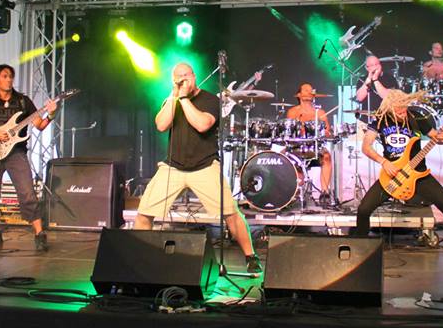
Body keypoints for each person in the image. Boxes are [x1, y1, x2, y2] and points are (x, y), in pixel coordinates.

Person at [135, 63, 261, 273]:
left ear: (194, 77)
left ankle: (251, 257)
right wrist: (174, 97)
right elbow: (161, 125)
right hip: (173, 167)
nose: (183, 80)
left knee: (231, 213)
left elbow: (202, 124)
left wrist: (184, 99)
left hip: (205, 166)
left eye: (186, 76)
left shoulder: (210, 100)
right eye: (178, 77)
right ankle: (139, 260)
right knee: (143, 213)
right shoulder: (172, 100)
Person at [353, 89, 443, 267]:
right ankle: (360, 253)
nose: (403, 112)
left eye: (404, 108)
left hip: (419, 174)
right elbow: (366, 147)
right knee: (364, 209)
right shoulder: (380, 120)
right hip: (394, 176)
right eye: (398, 110)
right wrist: (384, 162)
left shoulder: (416, 117)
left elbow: (435, 136)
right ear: (390, 108)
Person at [0, 64, 57, 252]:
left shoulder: (23, 102)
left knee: (27, 192)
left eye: (10, 76)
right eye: (5, 76)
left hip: (16, 153)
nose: (9, 79)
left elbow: (40, 125)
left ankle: (39, 233)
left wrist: (51, 114)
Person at [285, 83, 334, 207]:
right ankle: (294, 194)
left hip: (315, 148)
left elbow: (327, 131)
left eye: (311, 90)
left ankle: (324, 193)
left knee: (327, 157)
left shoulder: (320, 112)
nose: (309, 91)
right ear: (299, 95)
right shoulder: (293, 112)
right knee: (289, 160)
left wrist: (326, 132)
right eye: (306, 89)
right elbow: (291, 131)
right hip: (297, 147)